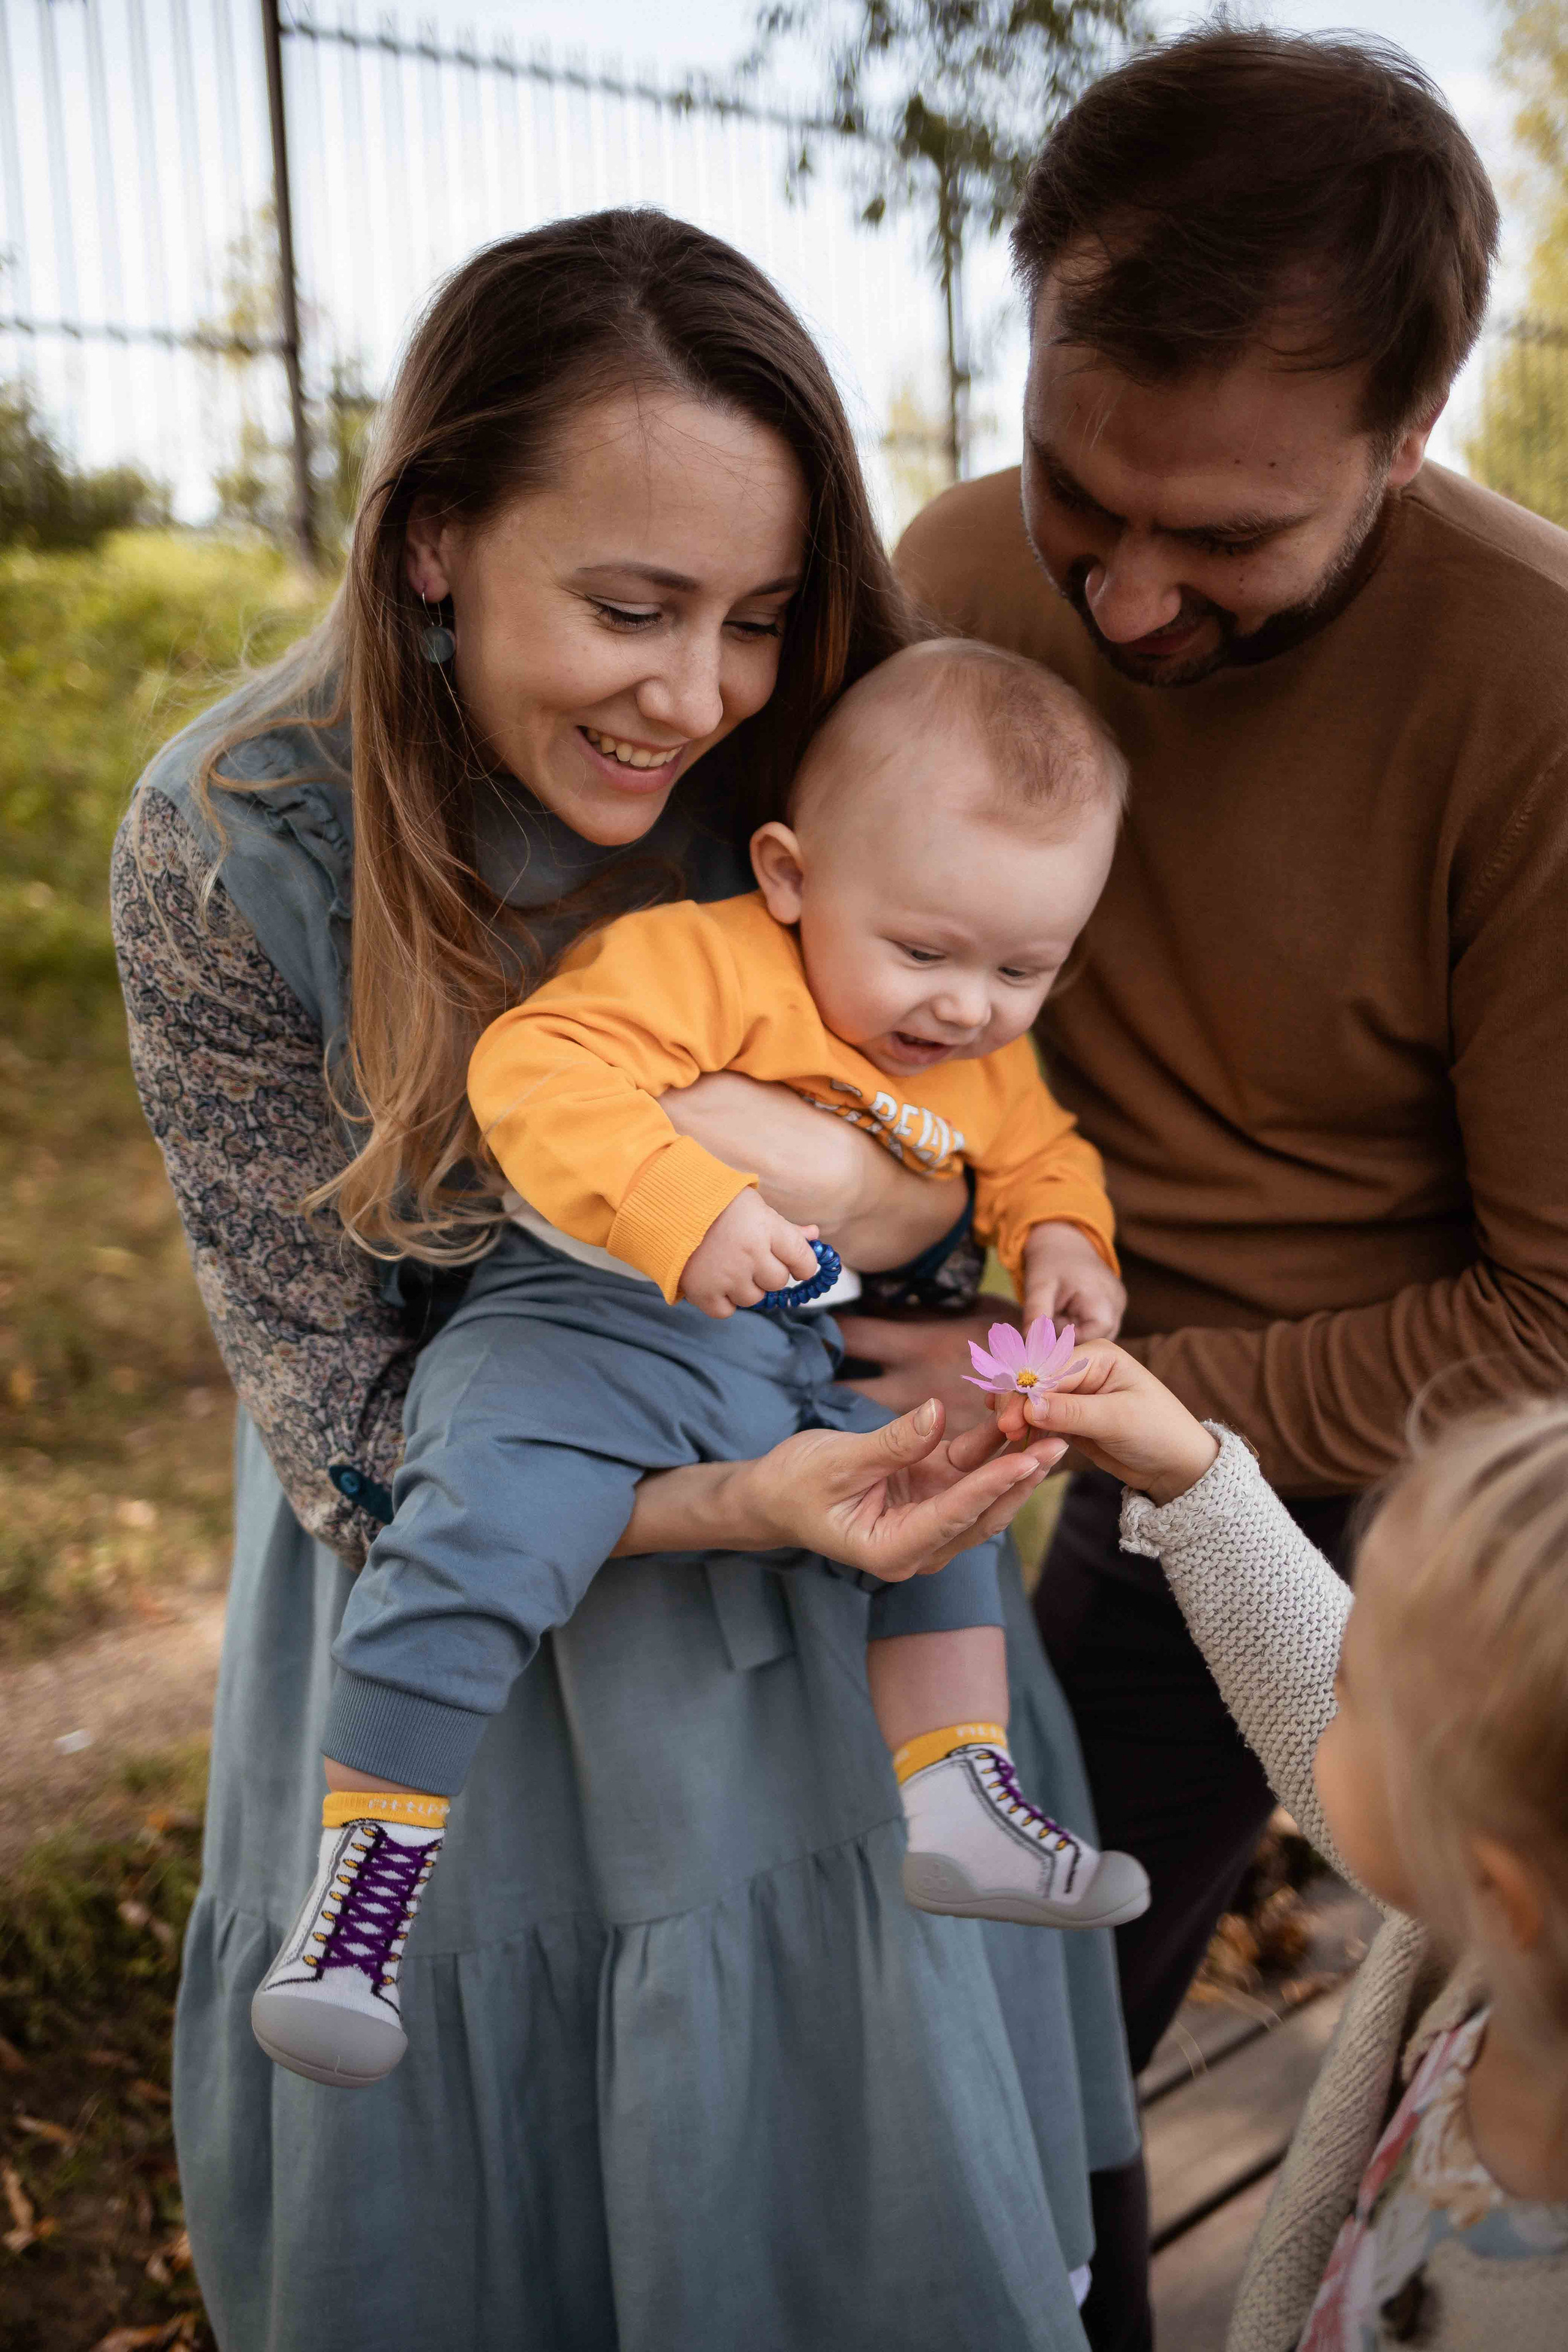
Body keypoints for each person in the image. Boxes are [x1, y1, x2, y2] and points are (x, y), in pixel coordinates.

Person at [111, 211, 1140, 2350]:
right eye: (630, 607)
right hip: (482, 1599)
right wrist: (750, 1382)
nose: (698, 694)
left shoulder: (808, 775)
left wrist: (909, 1212)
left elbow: (951, 1161)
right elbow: (339, 1416)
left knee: (852, 2182)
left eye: (758, 617)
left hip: (814, 1628)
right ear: (432, 545)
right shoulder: (229, 839)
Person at [852, 29, 1568, 2344]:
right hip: (1081, 1401)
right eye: (1087, 491)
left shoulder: (1537, 687)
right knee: (1018, 2008)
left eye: (1231, 536)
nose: (1131, 605)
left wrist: (1101, 1389)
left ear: (1412, 432)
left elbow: (1558, 1320)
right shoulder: (952, 575)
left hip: (1434, 1464)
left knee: (1472, 1996)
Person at [249, 639, 1152, 2090]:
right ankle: (363, 1888)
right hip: (587, 1327)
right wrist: (691, 1207)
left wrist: (1065, 1242)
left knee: (945, 1481)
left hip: (786, 1347)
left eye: (1022, 969)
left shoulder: (972, 1057)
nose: (966, 1007)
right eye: (924, 953)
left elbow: (1039, 1153)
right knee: (481, 1526)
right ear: (792, 877)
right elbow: (536, 1069)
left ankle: (960, 1803)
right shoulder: (704, 958)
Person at [999, 1346, 1568, 2349]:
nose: (1330, 1689)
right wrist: (1195, 1479)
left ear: (1493, 1883)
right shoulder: (1500, 1938)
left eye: (1359, 1689)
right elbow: (1310, 1680)